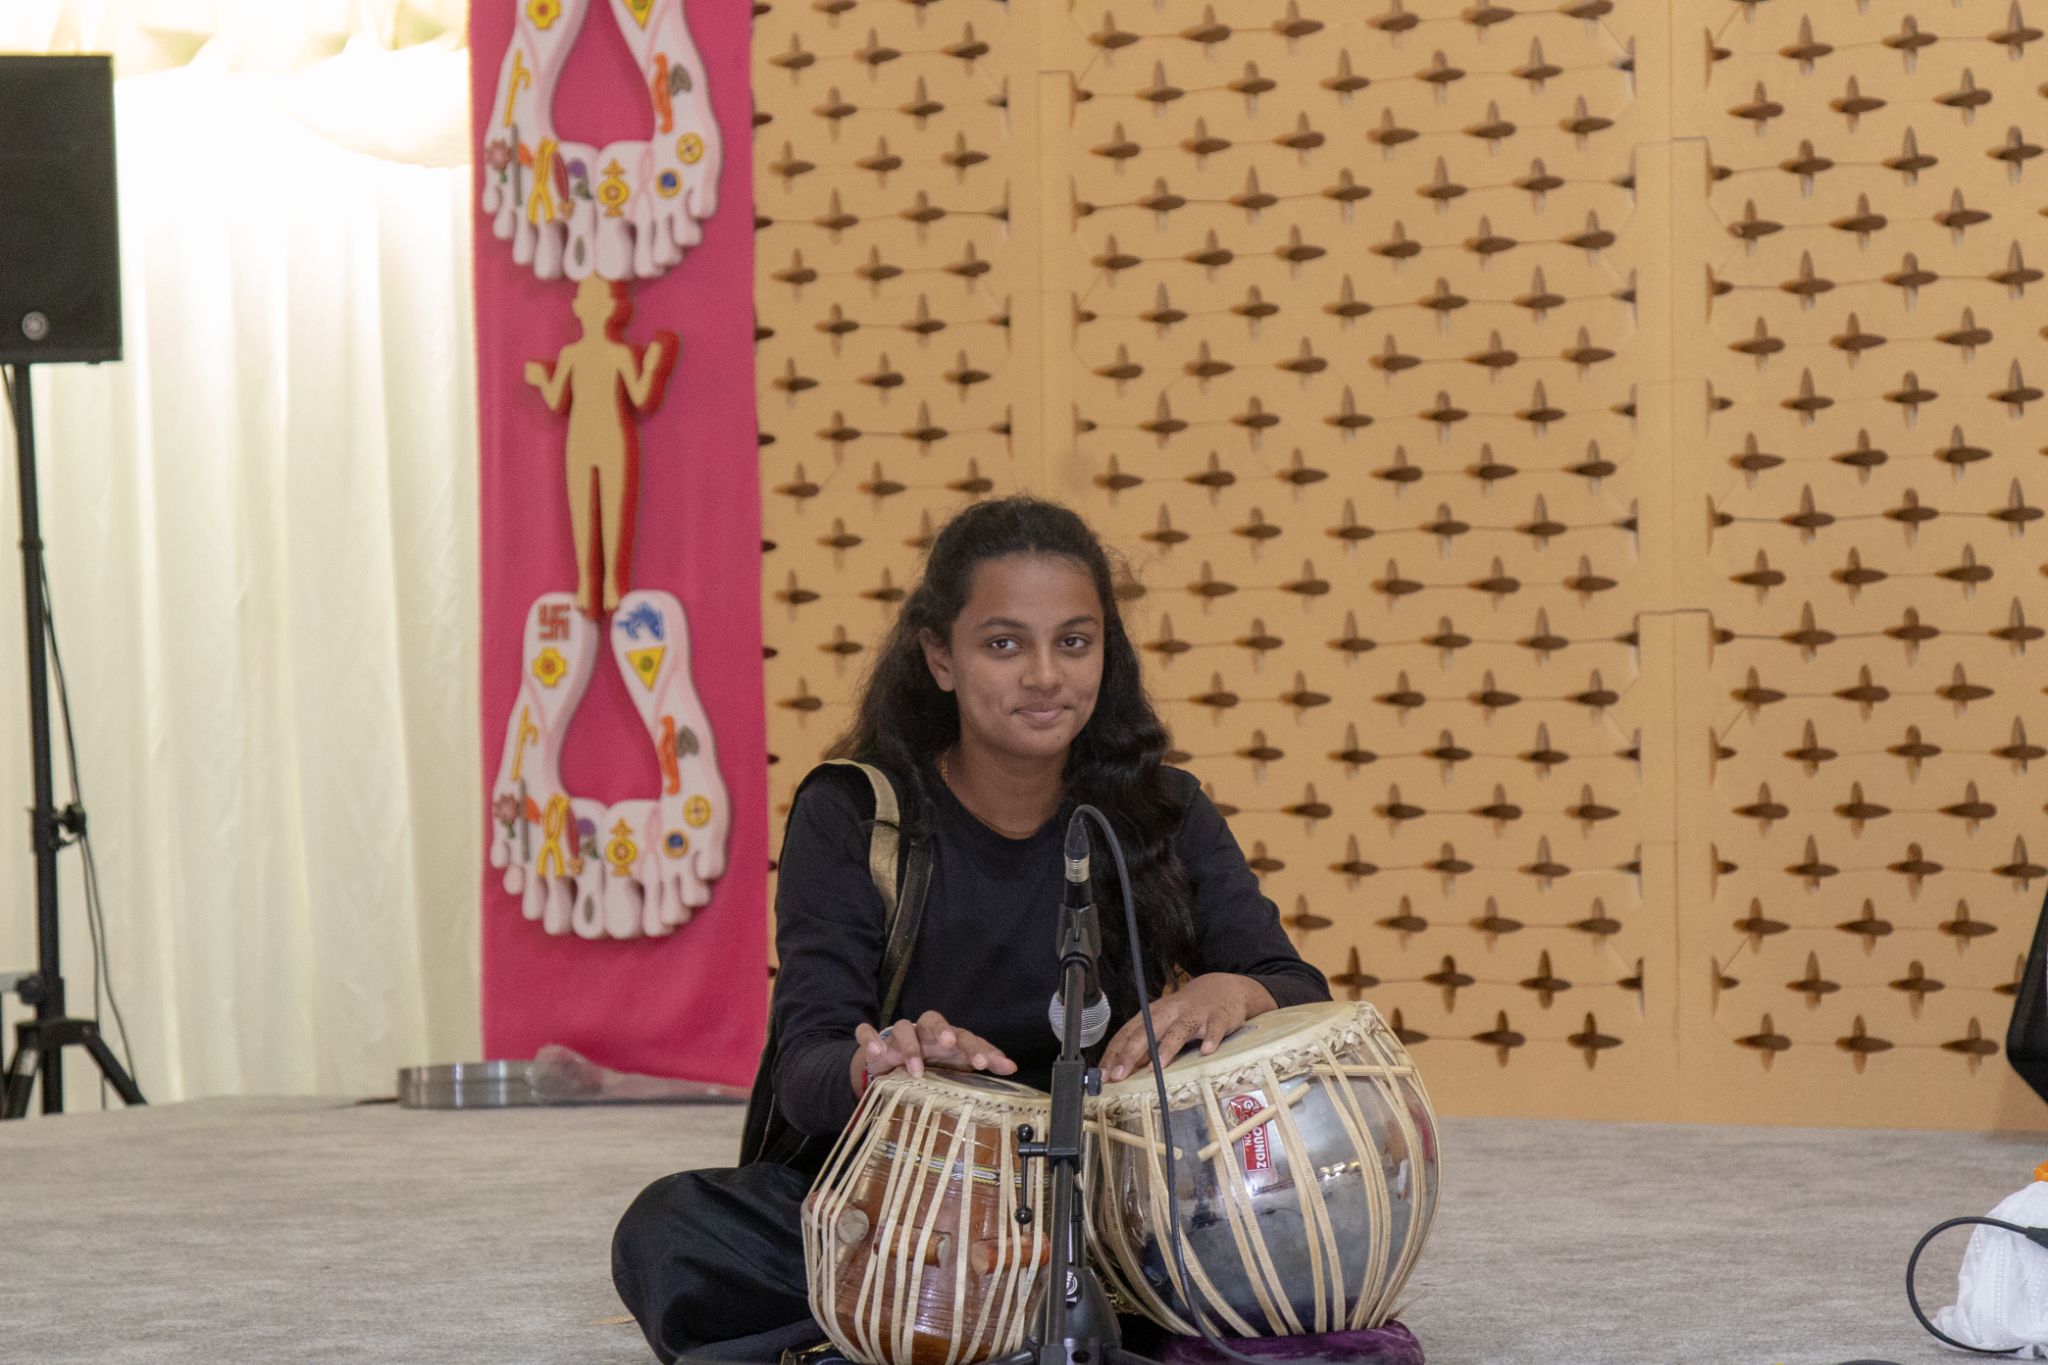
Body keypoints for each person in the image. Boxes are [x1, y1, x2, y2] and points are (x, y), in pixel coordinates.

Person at [612, 495, 1330, 1362]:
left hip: (1106, 1208)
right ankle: (1008, 1322)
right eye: (1003, 643)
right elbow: (803, 1065)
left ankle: (933, 1333)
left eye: (1074, 640)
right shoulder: (855, 813)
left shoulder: (1162, 808)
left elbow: (1293, 983)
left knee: (1291, 1215)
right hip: (906, 1209)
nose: (1044, 674)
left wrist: (1234, 987)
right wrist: (878, 1065)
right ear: (939, 656)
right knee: (670, 1231)